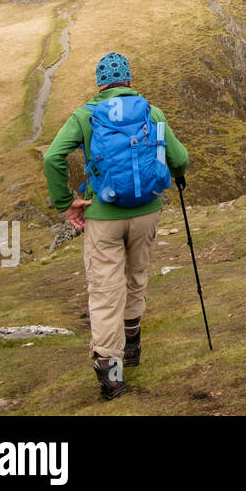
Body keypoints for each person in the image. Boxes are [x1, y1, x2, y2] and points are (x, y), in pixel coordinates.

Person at [43, 52, 189, 400]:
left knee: (106, 293)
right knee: (136, 276)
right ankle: (133, 346)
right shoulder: (151, 112)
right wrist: (177, 176)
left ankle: (112, 375)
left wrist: (66, 204)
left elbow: (52, 157)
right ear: (129, 80)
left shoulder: (85, 116)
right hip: (146, 213)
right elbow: (180, 159)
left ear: (100, 82)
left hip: (103, 216)